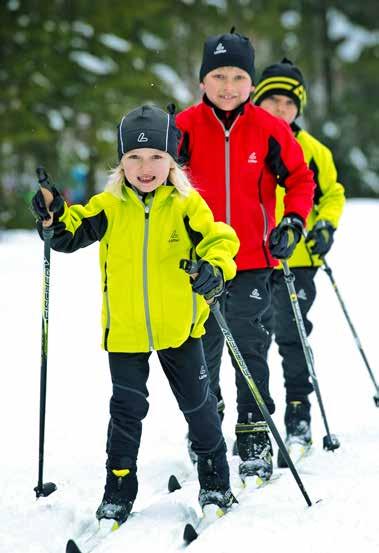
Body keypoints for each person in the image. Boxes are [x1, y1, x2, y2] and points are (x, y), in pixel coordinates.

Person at [31, 104, 240, 524]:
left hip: (180, 328)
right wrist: (52, 217)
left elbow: (221, 238)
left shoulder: (186, 204)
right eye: (134, 158)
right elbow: (70, 232)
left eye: (156, 158)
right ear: (121, 161)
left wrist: (214, 269)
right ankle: (118, 488)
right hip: (125, 331)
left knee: (199, 406)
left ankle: (216, 480)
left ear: (171, 160)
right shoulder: (109, 205)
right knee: (126, 410)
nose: (146, 167)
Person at [176, 30, 315, 482]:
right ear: (202, 81)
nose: (228, 85)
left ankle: (254, 432)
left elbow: (299, 180)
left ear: (251, 82)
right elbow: (159, 181)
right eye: (219, 75)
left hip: (254, 259)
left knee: (250, 349)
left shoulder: (269, 128)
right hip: (198, 262)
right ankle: (207, 429)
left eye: (238, 76)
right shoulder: (183, 128)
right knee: (201, 351)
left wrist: (292, 222)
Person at [254, 58, 345, 462]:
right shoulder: (247, 143)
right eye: (271, 100)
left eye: (289, 102)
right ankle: (254, 416)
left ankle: (298, 410)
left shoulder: (313, 151)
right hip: (253, 259)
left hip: (299, 260)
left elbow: (332, 194)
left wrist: (324, 226)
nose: (280, 109)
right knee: (254, 341)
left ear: (299, 108)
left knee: (292, 335)